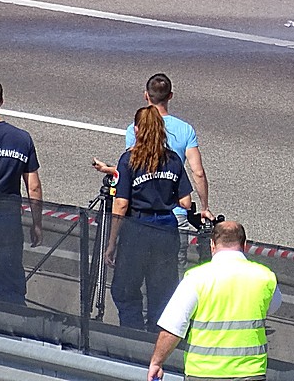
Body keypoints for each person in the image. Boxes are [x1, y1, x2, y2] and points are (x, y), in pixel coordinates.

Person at [94, 73, 212, 262]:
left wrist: (109, 169)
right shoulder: (185, 130)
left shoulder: (136, 127)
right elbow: (198, 173)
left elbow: (134, 168)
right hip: (173, 217)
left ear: (146, 95)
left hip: (139, 219)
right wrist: (204, 207)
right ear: (170, 96)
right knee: (173, 272)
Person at [148, 220, 281, 381]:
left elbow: (173, 328)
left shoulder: (196, 278)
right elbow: (272, 307)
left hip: (203, 373)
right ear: (244, 245)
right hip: (250, 372)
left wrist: (157, 362)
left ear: (212, 244)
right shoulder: (264, 277)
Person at [105, 105, 194, 330]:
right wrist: (164, 197)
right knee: (161, 292)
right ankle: (155, 335)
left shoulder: (129, 160)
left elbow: (121, 203)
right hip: (166, 229)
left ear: (137, 130)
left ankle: (132, 333)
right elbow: (186, 202)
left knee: (125, 289)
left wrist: (112, 242)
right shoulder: (173, 159)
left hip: (137, 228)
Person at [0, 77, 42, 305]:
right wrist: (37, 224)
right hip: (7, 224)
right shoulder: (21, 138)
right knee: (11, 293)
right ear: (1, 102)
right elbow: (33, 187)